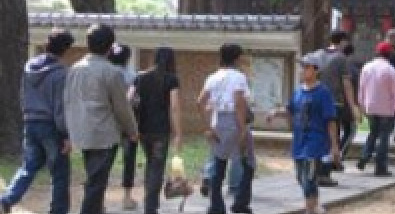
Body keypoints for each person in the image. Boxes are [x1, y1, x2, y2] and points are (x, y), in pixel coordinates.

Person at [0, 28, 75, 214]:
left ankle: (5, 201)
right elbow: (60, 107)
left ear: (47, 44)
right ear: (66, 49)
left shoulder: (29, 67)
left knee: (28, 166)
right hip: (51, 127)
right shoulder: (62, 74)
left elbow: (23, 95)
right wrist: (66, 135)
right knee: (60, 173)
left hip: (30, 122)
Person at [64, 24, 139, 214]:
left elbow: (68, 101)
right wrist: (132, 130)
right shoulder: (111, 72)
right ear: (110, 46)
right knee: (96, 184)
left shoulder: (74, 69)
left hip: (81, 131)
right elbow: (122, 107)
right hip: (103, 134)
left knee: (94, 178)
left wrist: (69, 130)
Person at [266, 51, 340, 214]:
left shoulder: (323, 93)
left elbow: (331, 120)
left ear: (316, 70)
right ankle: (315, 205)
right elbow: (290, 110)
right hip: (299, 142)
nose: (302, 70)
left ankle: (309, 209)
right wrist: (275, 113)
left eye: (306, 67)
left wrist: (334, 146)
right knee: (301, 177)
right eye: (302, 67)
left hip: (315, 142)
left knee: (309, 178)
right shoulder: (298, 92)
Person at [197, 43, 254, 214]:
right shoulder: (239, 77)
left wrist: (208, 127)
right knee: (247, 163)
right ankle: (240, 203)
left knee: (219, 164)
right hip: (234, 121)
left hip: (218, 121)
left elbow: (200, 102)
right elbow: (239, 103)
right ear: (237, 58)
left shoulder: (212, 77)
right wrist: (242, 129)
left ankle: (216, 205)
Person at [128, 46, 183, 214]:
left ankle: (150, 203)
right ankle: (151, 207)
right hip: (161, 131)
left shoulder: (140, 76)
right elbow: (174, 107)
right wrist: (178, 133)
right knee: (156, 167)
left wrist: (131, 126)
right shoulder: (171, 79)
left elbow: (128, 100)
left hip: (143, 129)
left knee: (151, 164)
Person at [316, 30, 362, 186]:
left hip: (317, 101)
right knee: (332, 138)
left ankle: (316, 171)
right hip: (334, 102)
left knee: (320, 136)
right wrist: (353, 106)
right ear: (342, 41)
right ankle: (324, 173)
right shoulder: (341, 58)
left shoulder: (319, 55)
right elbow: (347, 83)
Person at [356, 41, 395, 176]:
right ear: (389, 54)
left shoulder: (366, 67)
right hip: (386, 108)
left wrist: (361, 104)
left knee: (373, 132)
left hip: (370, 106)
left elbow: (361, 88)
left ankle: (365, 156)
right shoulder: (390, 70)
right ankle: (380, 167)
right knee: (384, 136)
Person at [106, 43, 139, 211]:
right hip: (128, 122)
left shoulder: (105, 74)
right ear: (127, 58)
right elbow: (135, 100)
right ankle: (126, 198)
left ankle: (99, 199)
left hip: (108, 123)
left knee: (105, 161)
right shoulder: (133, 76)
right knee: (129, 160)